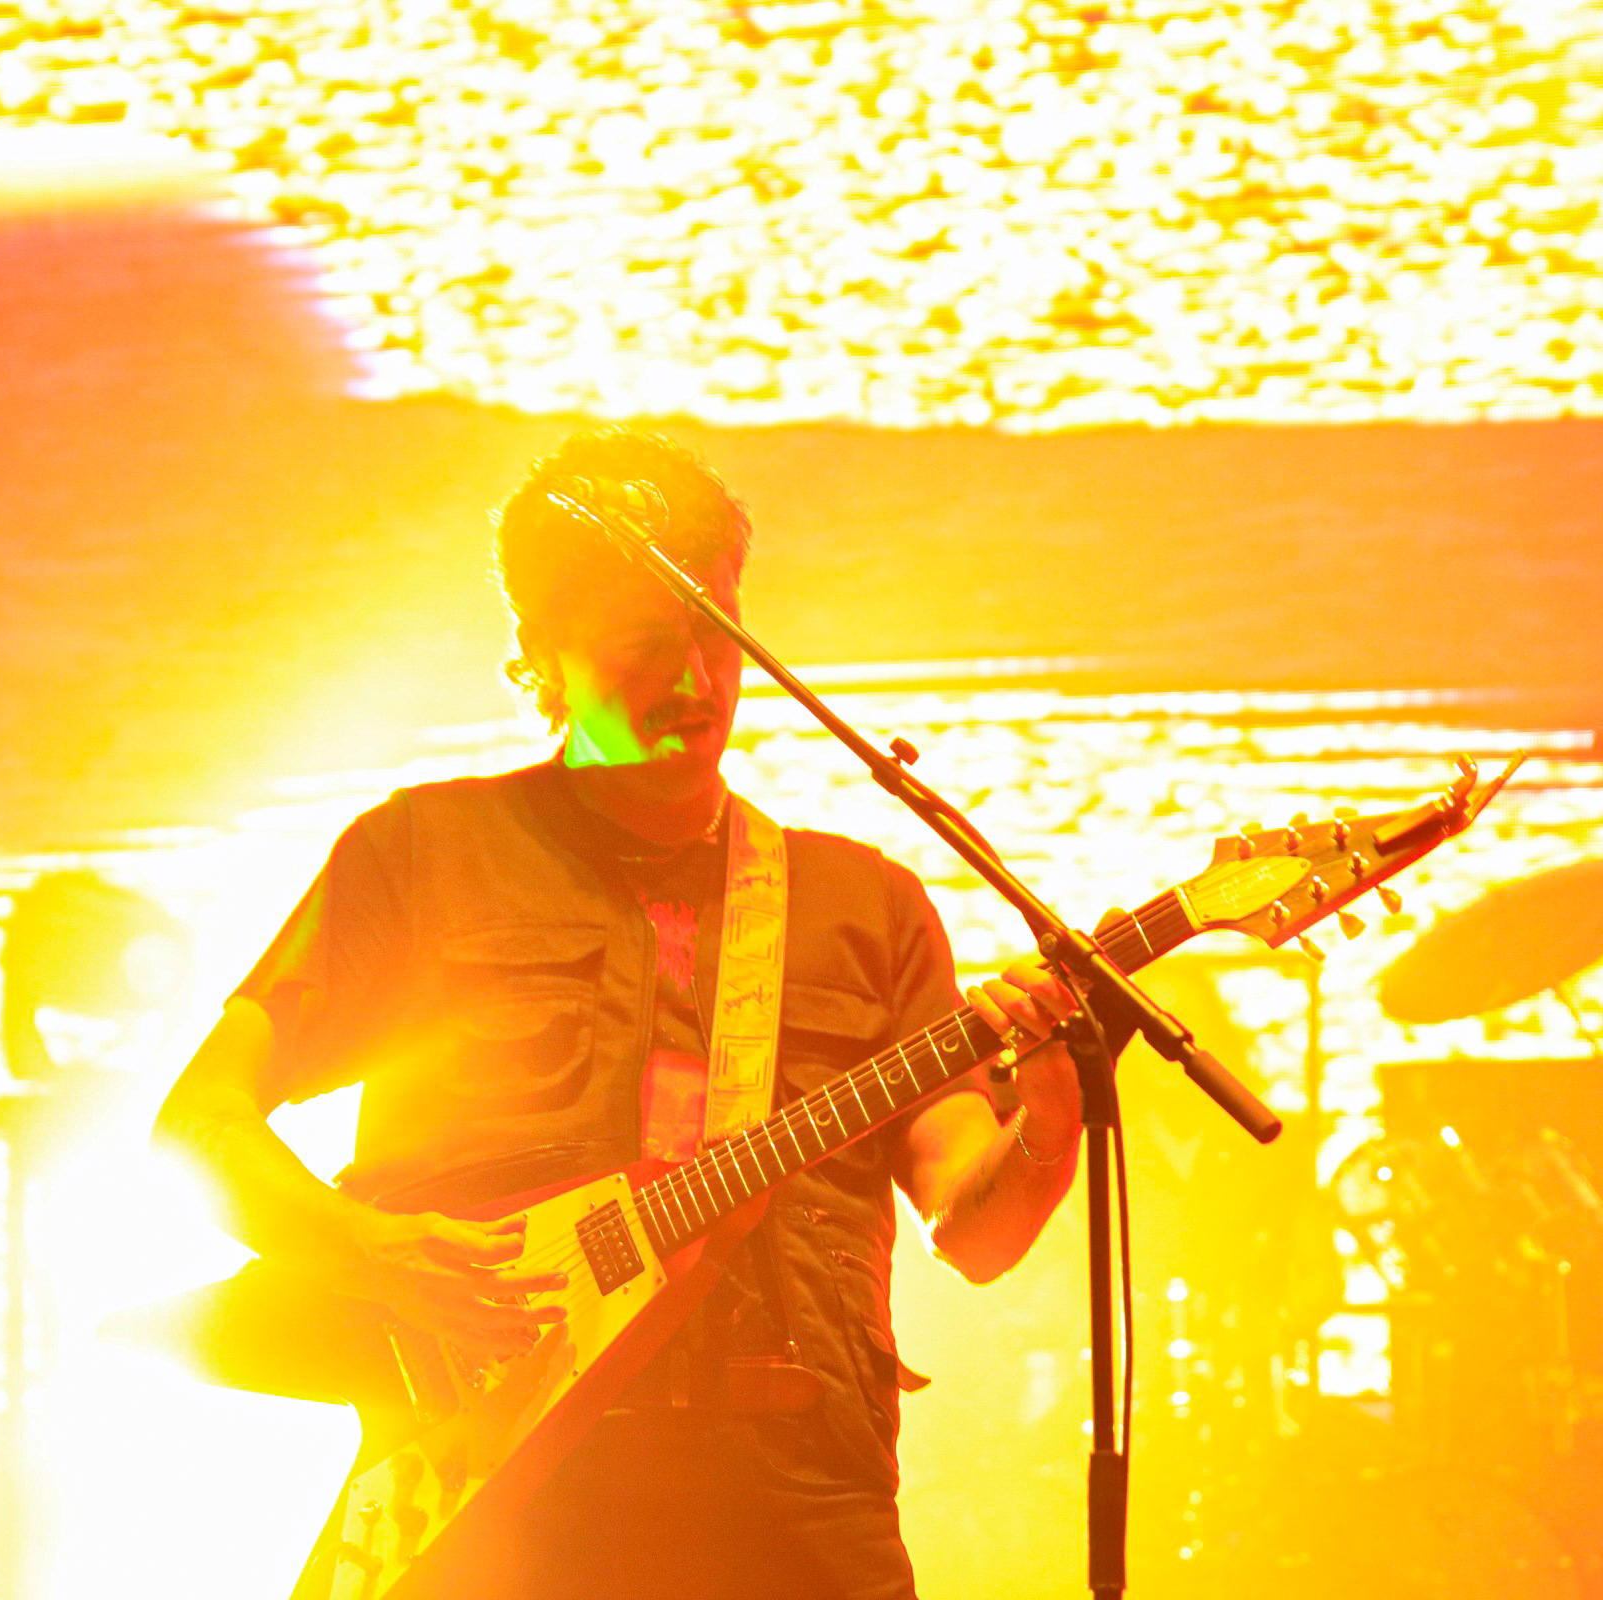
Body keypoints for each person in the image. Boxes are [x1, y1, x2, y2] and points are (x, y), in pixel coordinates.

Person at [154, 428, 1087, 1599]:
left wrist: (1051, 1113)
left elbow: (976, 1230)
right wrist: (374, 1250)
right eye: (644, 645)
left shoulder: (866, 906)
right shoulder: (421, 856)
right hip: (493, 1510)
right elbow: (197, 1126)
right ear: (543, 651)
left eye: (716, 634)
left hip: (798, 1514)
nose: (694, 683)